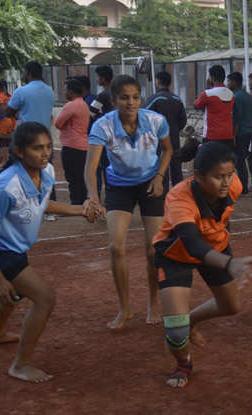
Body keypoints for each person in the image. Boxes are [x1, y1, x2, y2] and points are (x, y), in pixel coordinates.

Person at [153, 142, 252, 388]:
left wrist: (225, 253)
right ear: (199, 176)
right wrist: (229, 263)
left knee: (232, 306)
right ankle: (184, 362)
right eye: (217, 177)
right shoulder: (179, 198)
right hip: (176, 254)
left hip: (215, 247)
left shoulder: (234, 185)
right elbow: (192, 243)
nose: (226, 182)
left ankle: (190, 320)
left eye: (229, 174)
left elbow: (224, 219)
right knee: (175, 332)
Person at [0, 122, 97, 382]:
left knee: (16, 294)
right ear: (18, 151)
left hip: (15, 249)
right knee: (45, 298)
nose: (45, 153)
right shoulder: (6, 187)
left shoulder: (46, 171)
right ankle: (20, 364)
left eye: (48, 147)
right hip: (1, 252)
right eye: (37, 148)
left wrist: (80, 210)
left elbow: (43, 204)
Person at [84, 75, 173, 330]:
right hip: (119, 186)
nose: (130, 102)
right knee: (116, 246)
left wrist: (159, 177)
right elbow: (90, 167)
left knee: (153, 249)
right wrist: (93, 196)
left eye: (135, 97)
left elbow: (168, 150)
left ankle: (153, 301)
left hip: (150, 183)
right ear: (114, 100)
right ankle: (125, 308)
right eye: (124, 98)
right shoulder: (103, 126)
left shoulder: (156, 121)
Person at [146, 70, 187, 189]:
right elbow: (183, 120)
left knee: (160, 166)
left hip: (157, 139)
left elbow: (145, 118)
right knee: (176, 167)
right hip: (174, 138)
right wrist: (174, 129)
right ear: (169, 83)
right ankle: (178, 193)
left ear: (157, 82)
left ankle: (162, 194)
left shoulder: (154, 99)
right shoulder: (177, 99)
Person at [54, 78, 90, 205]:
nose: (65, 93)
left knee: (72, 177)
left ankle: (76, 202)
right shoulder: (84, 104)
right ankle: (82, 201)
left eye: (66, 90)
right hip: (83, 145)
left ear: (71, 91)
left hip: (71, 145)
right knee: (81, 176)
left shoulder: (71, 105)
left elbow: (58, 123)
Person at [0, 61, 54, 129]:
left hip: (27, 134)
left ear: (27, 73)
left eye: (24, 73)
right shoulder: (50, 91)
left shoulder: (21, 91)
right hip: (44, 135)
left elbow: (8, 113)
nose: (23, 76)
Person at [194, 65, 234, 148]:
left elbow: (196, 105)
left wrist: (207, 88)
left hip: (211, 136)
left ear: (212, 78)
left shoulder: (207, 93)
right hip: (228, 135)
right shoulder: (231, 94)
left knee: (209, 160)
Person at [90, 65, 115, 199]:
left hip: (106, 136)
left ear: (103, 79)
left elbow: (91, 113)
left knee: (105, 166)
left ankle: (108, 197)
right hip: (119, 135)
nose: (97, 79)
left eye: (98, 77)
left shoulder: (102, 95)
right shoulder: (117, 92)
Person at [226, 72, 252, 194]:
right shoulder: (247, 95)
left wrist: (233, 136)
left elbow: (236, 119)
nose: (228, 84)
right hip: (248, 131)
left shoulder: (236, 97)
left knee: (239, 161)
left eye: (229, 81)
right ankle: (244, 186)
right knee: (241, 160)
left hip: (240, 133)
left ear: (234, 82)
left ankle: (242, 187)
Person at [0, 81, 15, 166]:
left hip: (3, 121)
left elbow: (2, 107)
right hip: (11, 121)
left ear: (0, 87)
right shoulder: (10, 95)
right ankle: (8, 159)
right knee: (9, 141)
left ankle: (5, 161)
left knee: (3, 142)